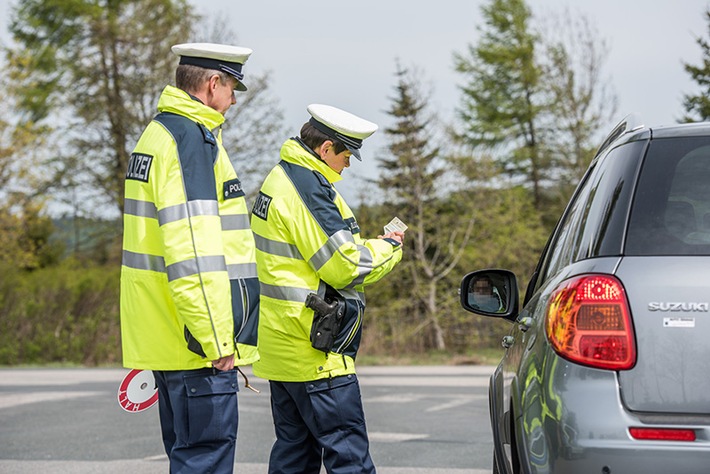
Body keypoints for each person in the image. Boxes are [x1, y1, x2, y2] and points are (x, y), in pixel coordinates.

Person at [119, 42, 259, 473]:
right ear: (213, 84)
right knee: (206, 460)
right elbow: (193, 251)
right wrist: (216, 338)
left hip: (167, 334)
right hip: (197, 342)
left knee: (188, 457)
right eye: (233, 87)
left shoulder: (158, 133)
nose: (233, 99)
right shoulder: (190, 141)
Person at [250, 104, 405, 474]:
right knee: (348, 458)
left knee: (294, 457)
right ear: (325, 149)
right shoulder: (308, 188)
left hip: (283, 347)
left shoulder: (281, 178)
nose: (347, 165)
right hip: (316, 350)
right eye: (346, 155)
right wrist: (390, 247)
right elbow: (344, 267)